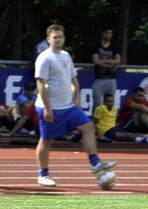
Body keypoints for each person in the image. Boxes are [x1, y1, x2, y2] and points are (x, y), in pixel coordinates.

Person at [34, 24, 116, 187]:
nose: (58, 40)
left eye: (61, 37)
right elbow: (40, 84)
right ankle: (43, 174)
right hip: (51, 107)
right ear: (48, 39)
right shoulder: (44, 57)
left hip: (68, 106)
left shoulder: (66, 55)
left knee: (87, 126)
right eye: (55, 37)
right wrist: (48, 108)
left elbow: (73, 78)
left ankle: (95, 162)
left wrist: (77, 96)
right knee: (47, 140)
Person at [91, 26, 121, 112]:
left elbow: (118, 60)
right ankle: (95, 124)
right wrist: (110, 64)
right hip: (99, 79)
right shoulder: (97, 46)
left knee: (110, 104)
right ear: (103, 33)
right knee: (97, 104)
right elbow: (96, 61)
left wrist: (103, 61)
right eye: (107, 33)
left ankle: (108, 123)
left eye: (110, 33)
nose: (108, 35)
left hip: (111, 79)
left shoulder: (114, 46)